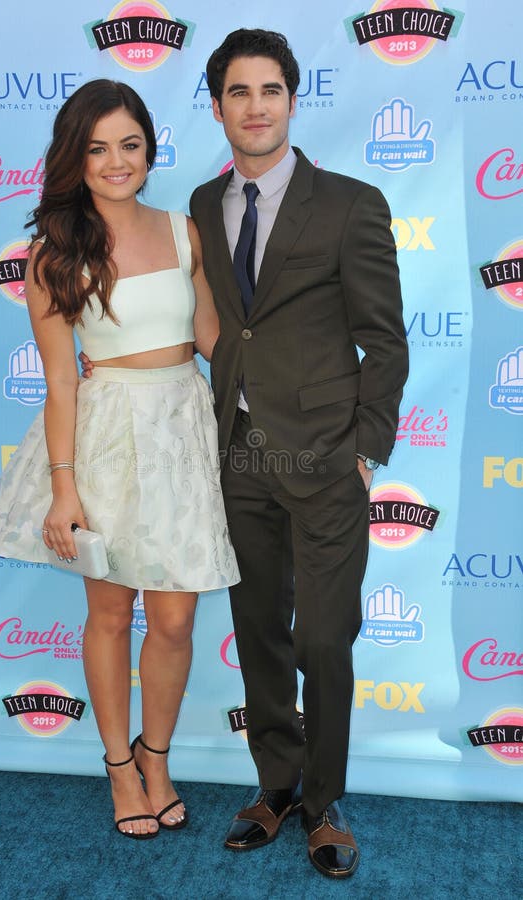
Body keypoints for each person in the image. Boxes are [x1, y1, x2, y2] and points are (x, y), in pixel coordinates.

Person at [0, 79, 239, 840]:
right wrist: (64, 491)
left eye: (129, 144)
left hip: (182, 426)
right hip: (104, 437)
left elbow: (216, 344)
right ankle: (119, 768)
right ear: (74, 158)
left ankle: (157, 757)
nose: (116, 161)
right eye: (97, 148)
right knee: (111, 611)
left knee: (178, 615)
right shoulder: (55, 253)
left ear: (150, 149)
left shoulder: (188, 230)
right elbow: (61, 381)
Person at [189, 29, 409, 877]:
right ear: (217, 107)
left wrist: (366, 452)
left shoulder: (351, 203)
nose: (255, 108)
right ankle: (276, 785)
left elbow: (384, 342)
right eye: (238, 93)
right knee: (258, 633)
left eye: (270, 91)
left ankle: (325, 801)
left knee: (323, 636)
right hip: (239, 455)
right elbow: (222, 326)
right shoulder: (206, 208)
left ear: (291, 100)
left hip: (325, 460)